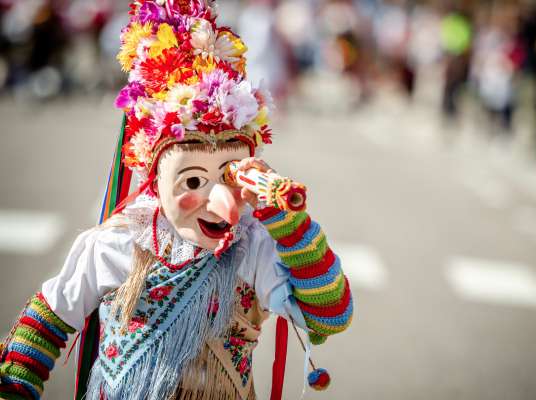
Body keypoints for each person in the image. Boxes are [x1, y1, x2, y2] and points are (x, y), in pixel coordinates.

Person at [0, 1, 353, 399]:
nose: (218, 200)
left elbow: (331, 315)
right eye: (193, 180)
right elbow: (47, 320)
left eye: (230, 176)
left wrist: (291, 225)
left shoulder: (253, 248)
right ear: (155, 179)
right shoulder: (116, 243)